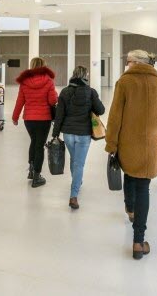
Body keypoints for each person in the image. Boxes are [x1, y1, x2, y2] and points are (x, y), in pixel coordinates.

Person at [105, 50, 157, 260]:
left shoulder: (125, 83)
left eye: (128, 61)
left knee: (129, 174)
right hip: (150, 147)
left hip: (127, 143)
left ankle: (130, 210)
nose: (127, 64)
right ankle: (138, 241)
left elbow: (114, 118)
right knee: (143, 187)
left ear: (136, 63)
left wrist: (111, 143)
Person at [52, 66, 105, 210]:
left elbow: (59, 115)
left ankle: (77, 180)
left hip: (68, 133)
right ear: (85, 76)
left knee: (74, 160)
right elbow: (101, 110)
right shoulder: (91, 92)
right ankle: (73, 195)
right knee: (79, 164)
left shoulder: (65, 92)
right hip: (83, 134)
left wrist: (55, 133)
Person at [11, 57, 57, 188]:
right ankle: (37, 176)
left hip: (29, 120)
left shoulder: (24, 81)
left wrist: (15, 117)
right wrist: (55, 94)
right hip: (44, 119)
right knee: (39, 146)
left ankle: (31, 170)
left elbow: (20, 101)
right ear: (44, 66)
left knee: (34, 142)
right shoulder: (48, 80)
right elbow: (52, 101)